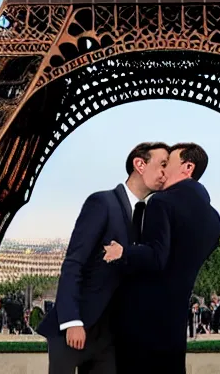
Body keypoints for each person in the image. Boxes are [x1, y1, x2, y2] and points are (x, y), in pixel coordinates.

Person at [37, 142, 169, 374]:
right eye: (162, 165)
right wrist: (72, 322)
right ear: (140, 164)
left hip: (109, 336)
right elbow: (74, 262)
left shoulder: (147, 216)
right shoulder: (102, 202)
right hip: (76, 329)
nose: (165, 173)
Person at [104, 143, 220, 374]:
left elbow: (157, 257)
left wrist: (124, 252)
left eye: (168, 163)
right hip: (175, 320)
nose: (163, 171)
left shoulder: (162, 202)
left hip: (142, 317)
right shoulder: (214, 218)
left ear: (188, 167)